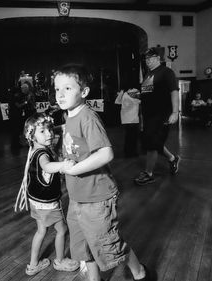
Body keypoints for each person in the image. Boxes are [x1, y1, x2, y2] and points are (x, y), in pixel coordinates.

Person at [54, 64, 149, 281]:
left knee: (110, 246)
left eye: (67, 88)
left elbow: (106, 154)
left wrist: (73, 169)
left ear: (84, 92)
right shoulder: (69, 115)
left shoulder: (87, 117)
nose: (60, 94)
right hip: (77, 197)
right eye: (57, 88)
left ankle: (140, 273)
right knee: (82, 248)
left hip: (97, 198)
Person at [14, 113, 79, 276]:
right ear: (31, 135)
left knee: (41, 231)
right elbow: (47, 166)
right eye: (43, 131)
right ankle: (60, 261)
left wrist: (61, 127)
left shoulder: (34, 148)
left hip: (36, 201)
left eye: (50, 129)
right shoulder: (43, 154)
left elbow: (47, 131)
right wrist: (63, 165)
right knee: (62, 230)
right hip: (48, 204)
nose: (49, 134)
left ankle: (33, 265)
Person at [129, 47, 180, 185]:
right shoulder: (148, 74)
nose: (148, 61)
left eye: (150, 58)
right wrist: (138, 95)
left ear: (158, 58)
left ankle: (148, 173)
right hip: (148, 115)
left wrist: (175, 112)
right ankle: (172, 158)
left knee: (152, 143)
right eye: (146, 59)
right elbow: (149, 93)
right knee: (153, 142)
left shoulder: (166, 72)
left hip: (162, 114)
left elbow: (174, 91)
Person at [115, 89, 141, 157]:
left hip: (125, 117)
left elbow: (117, 101)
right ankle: (132, 153)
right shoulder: (136, 91)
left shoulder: (123, 91)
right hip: (133, 117)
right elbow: (138, 101)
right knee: (133, 136)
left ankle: (127, 152)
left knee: (128, 136)